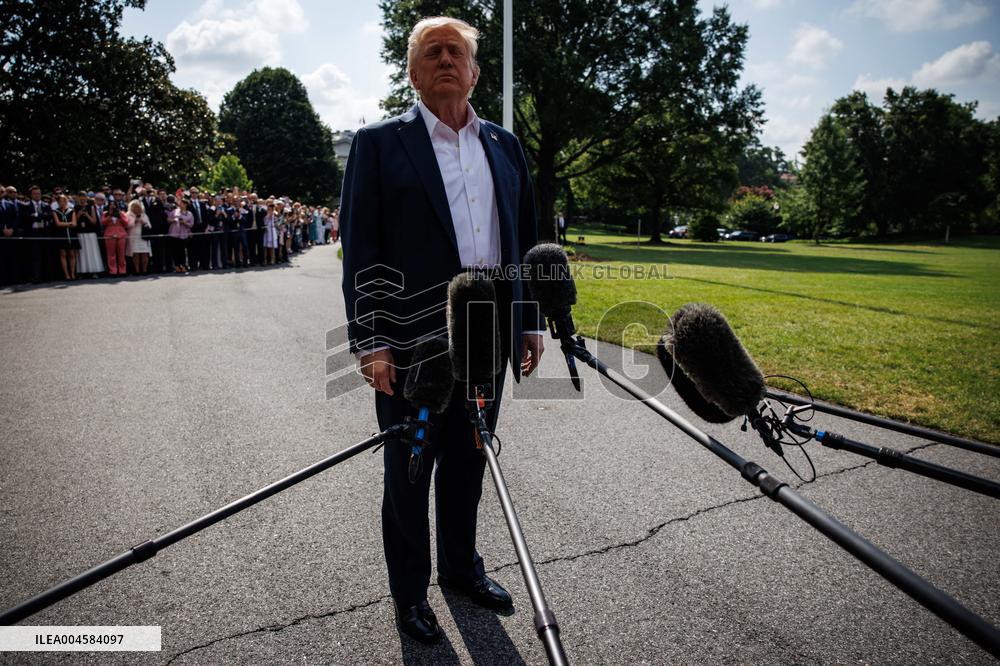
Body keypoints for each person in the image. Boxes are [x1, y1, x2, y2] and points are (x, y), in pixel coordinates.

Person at [340, 15, 543, 645]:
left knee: (469, 460)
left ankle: (461, 569)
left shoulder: (505, 146)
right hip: (411, 337)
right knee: (409, 471)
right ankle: (410, 596)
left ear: (476, 71)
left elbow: (528, 235)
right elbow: (361, 245)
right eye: (434, 51)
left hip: (486, 332)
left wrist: (529, 317)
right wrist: (370, 339)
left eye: (458, 51)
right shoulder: (379, 143)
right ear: (413, 71)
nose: (447, 59)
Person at [75, 191, 104, 278]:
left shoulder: (91, 207)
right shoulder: (75, 208)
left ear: (86, 198)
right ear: (78, 199)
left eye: (84, 198)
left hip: (91, 233)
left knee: (92, 252)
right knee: (82, 254)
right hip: (80, 233)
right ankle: (82, 272)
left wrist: (87, 215)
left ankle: (94, 271)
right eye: (81, 198)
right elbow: (74, 221)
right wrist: (79, 215)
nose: (82, 200)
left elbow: (94, 221)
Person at [51, 194, 79, 280]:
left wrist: (67, 224)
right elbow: (58, 224)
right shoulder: (55, 212)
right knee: (63, 255)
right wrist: (68, 224)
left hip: (71, 234)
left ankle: (72, 273)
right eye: (61, 201)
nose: (62, 203)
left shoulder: (71, 211)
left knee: (72, 254)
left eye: (64, 201)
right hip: (61, 234)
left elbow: (74, 223)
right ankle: (66, 274)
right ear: (58, 202)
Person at [102, 201, 129, 277]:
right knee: (111, 254)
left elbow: (126, 223)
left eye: (114, 205)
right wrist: (109, 216)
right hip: (109, 235)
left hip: (121, 234)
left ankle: (122, 270)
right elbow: (103, 222)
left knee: (121, 254)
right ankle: (113, 270)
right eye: (111, 205)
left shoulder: (121, 213)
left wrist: (119, 215)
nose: (112, 206)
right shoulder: (105, 213)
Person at [126, 199, 152, 275]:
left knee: (145, 254)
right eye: (134, 207)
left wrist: (143, 222)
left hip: (144, 238)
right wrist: (135, 221)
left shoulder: (144, 215)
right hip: (133, 238)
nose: (136, 209)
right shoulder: (128, 214)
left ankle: (144, 270)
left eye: (138, 207)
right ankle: (137, 271)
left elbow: (150, 226)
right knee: (135, 255)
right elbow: (127, 225)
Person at [168, 197, 194, 272]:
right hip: (174, 234)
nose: (180, 204)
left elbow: (191, 224)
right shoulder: (175, 211)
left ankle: (183, 265)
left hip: (184, 235)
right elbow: (168, 219)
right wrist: (173, 220)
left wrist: (184, 223)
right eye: (180, 203)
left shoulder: (189, 214)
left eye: (182, 203)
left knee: (182, 251)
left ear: (185, 205)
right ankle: (176, 266)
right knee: (175, 251)